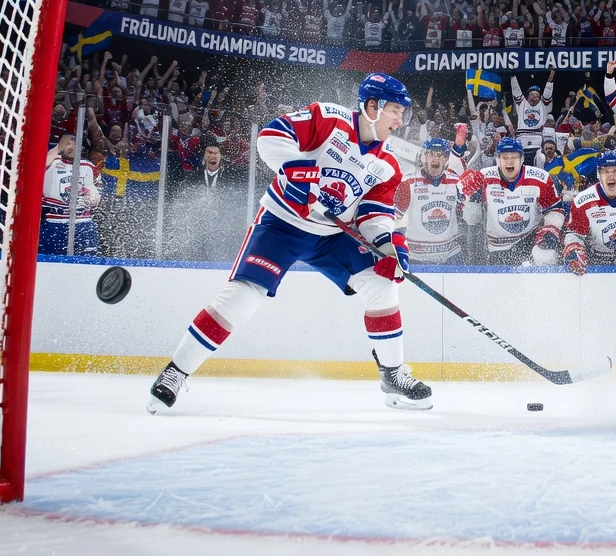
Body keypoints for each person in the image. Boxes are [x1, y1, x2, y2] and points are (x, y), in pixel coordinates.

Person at [147, 73, 432, 413]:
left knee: (382, 285)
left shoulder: (388, 165)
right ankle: (174, 373)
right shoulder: (329, 119)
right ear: (372, 106)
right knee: (243, 297)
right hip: (282, 224)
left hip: (332, 236)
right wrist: (297, 171)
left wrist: (387, 247)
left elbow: (372, 216)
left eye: (404, 113)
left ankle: (392, 373)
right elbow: (270, 137)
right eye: (395, 110)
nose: (401, 121)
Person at [459, 136, 563, 265]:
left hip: (529, 245)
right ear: (498, 160)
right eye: (505, 158)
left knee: (541, 266)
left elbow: (554, 209)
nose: (509, 162)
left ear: (522, 159)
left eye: (514, 157)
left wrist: (550, 229)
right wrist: (471, 198)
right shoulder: (483, 178)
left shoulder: (540, 178)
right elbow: (472, 219)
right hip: (497, 249)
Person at [394, 138, 464, 264]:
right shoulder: (408, 183)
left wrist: (472, 198)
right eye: (431, 154)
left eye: (440, 155)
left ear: (447, 159)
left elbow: (468, 216)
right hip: (417, 258)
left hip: (451, 256)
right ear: (424, 157)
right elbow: (393, 219)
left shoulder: (456, 183)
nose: (435, 159)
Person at [39, 134, 101, 255]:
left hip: (82, 221)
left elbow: (95, 198)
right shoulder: (51, 161)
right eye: (68, 144)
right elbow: (40, 165)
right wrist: (60, 146)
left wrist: (91, 196)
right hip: (53, 221)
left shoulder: (89, 167)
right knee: (48, 259)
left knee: (87, 259)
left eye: (75, 143)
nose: (72, 146)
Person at [511, 70, 555, 165]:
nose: (535, 97)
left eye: (537, 95)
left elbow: (548, 91)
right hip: (521, 140)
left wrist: (552, 73)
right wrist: (513, 75)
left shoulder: (543, 105)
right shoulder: (522, 103)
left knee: (539, 163)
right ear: (527, 96)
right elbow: (515, 89)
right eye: (532, 94)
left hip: (537, 141)